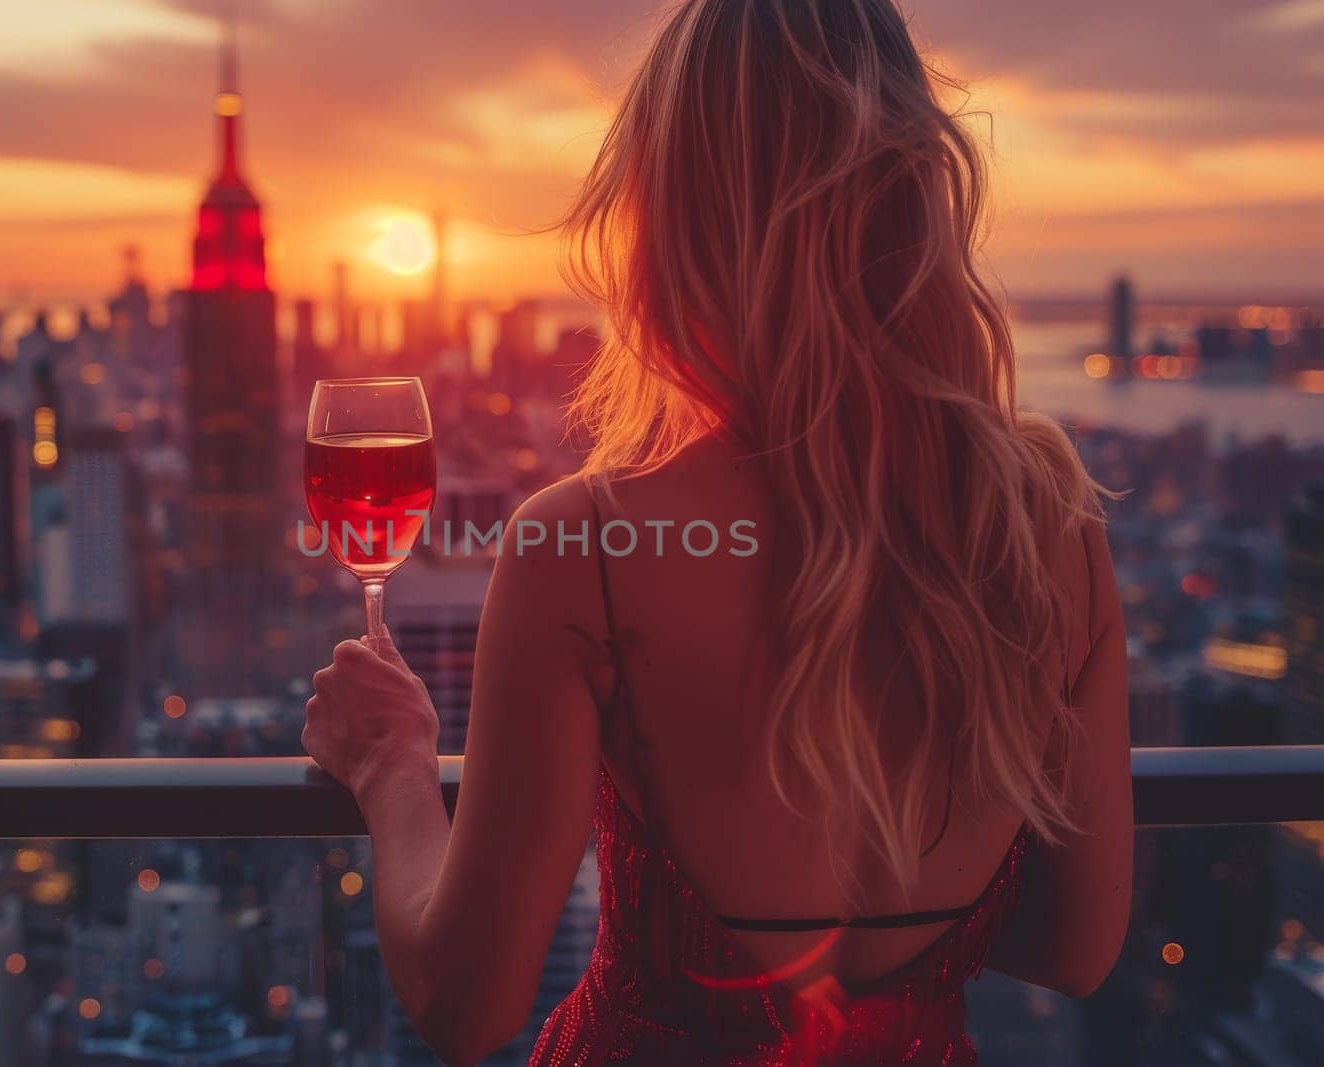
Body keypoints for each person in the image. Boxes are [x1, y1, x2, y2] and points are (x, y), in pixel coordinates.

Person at [302, 1, 1131, 1062]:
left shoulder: (585, 549)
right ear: (912, 198)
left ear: (664, 218)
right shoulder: (1045, 528)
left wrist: (393, 767)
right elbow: (1075, 945)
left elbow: (467, 1007)